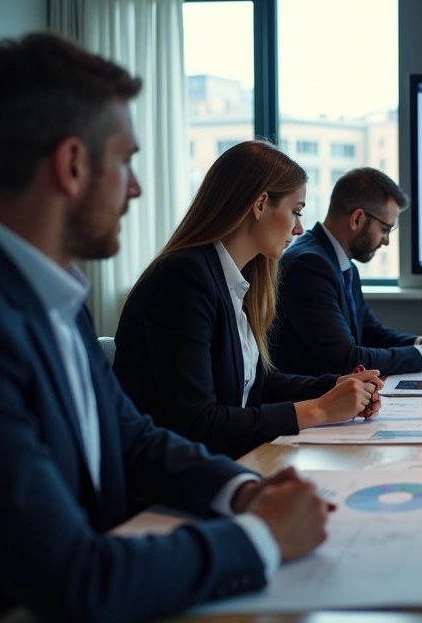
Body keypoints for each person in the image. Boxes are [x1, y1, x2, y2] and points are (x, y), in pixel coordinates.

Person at [0, 33, 329, 622]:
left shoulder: (56, 298)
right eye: (125, 162)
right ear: (72, 165)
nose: (137, 187)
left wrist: (245, 491)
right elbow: (77, 580)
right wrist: (262, 537)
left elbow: (136, 440)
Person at [113, 141, 383, 459]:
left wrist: (336, 386)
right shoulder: (183, 278)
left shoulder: (234, 278)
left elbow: (254, 383)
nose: (299, 228)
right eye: (296, 211)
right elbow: (199, 423)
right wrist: (321, 410)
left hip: (224, 464)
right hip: (167, 487)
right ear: (260, 204)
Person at [272, 167, 422, 376]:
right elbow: (347, 360)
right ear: (357, 219)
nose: (386, 241)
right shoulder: (309, 266)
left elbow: (370, 333)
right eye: (385, 229)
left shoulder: (340, 262)